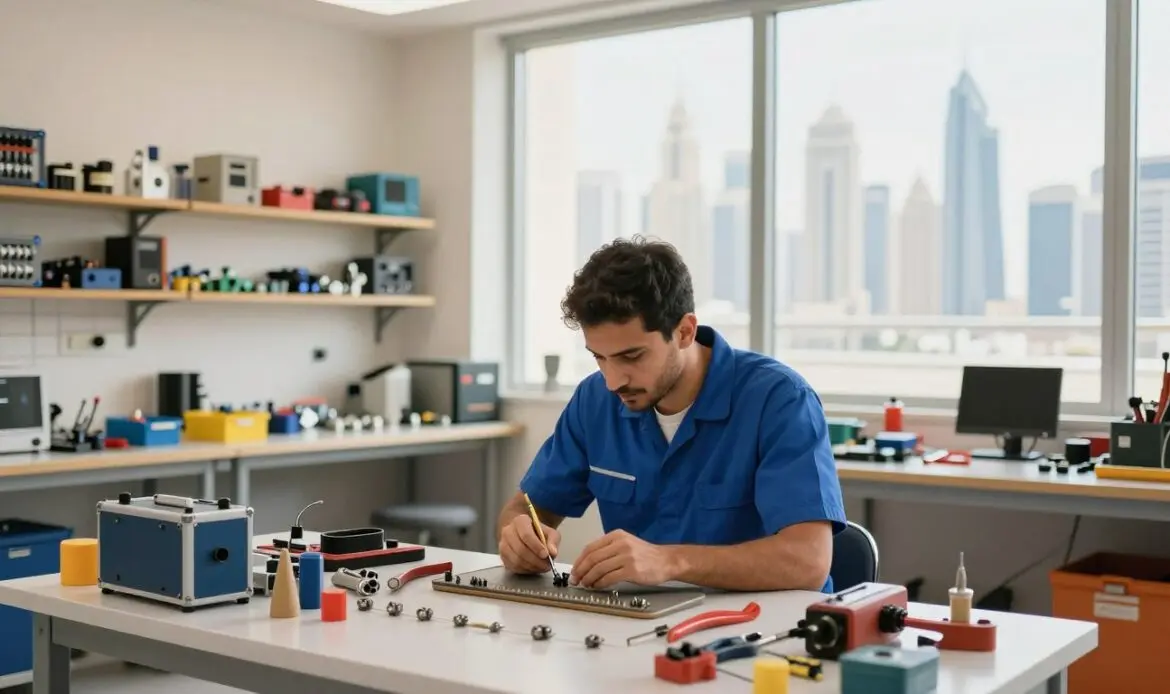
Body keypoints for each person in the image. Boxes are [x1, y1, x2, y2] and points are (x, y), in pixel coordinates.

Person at [496, 236, 847, 592]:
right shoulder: (594, 400)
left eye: (632, 357)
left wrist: (669, 561)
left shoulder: (779, 399)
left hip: (767, 632)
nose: (614, 381)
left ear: (684, 331)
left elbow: (808, 562)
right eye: (599, 357)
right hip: (643, 628)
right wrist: (519, 538)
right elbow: (525, 510)